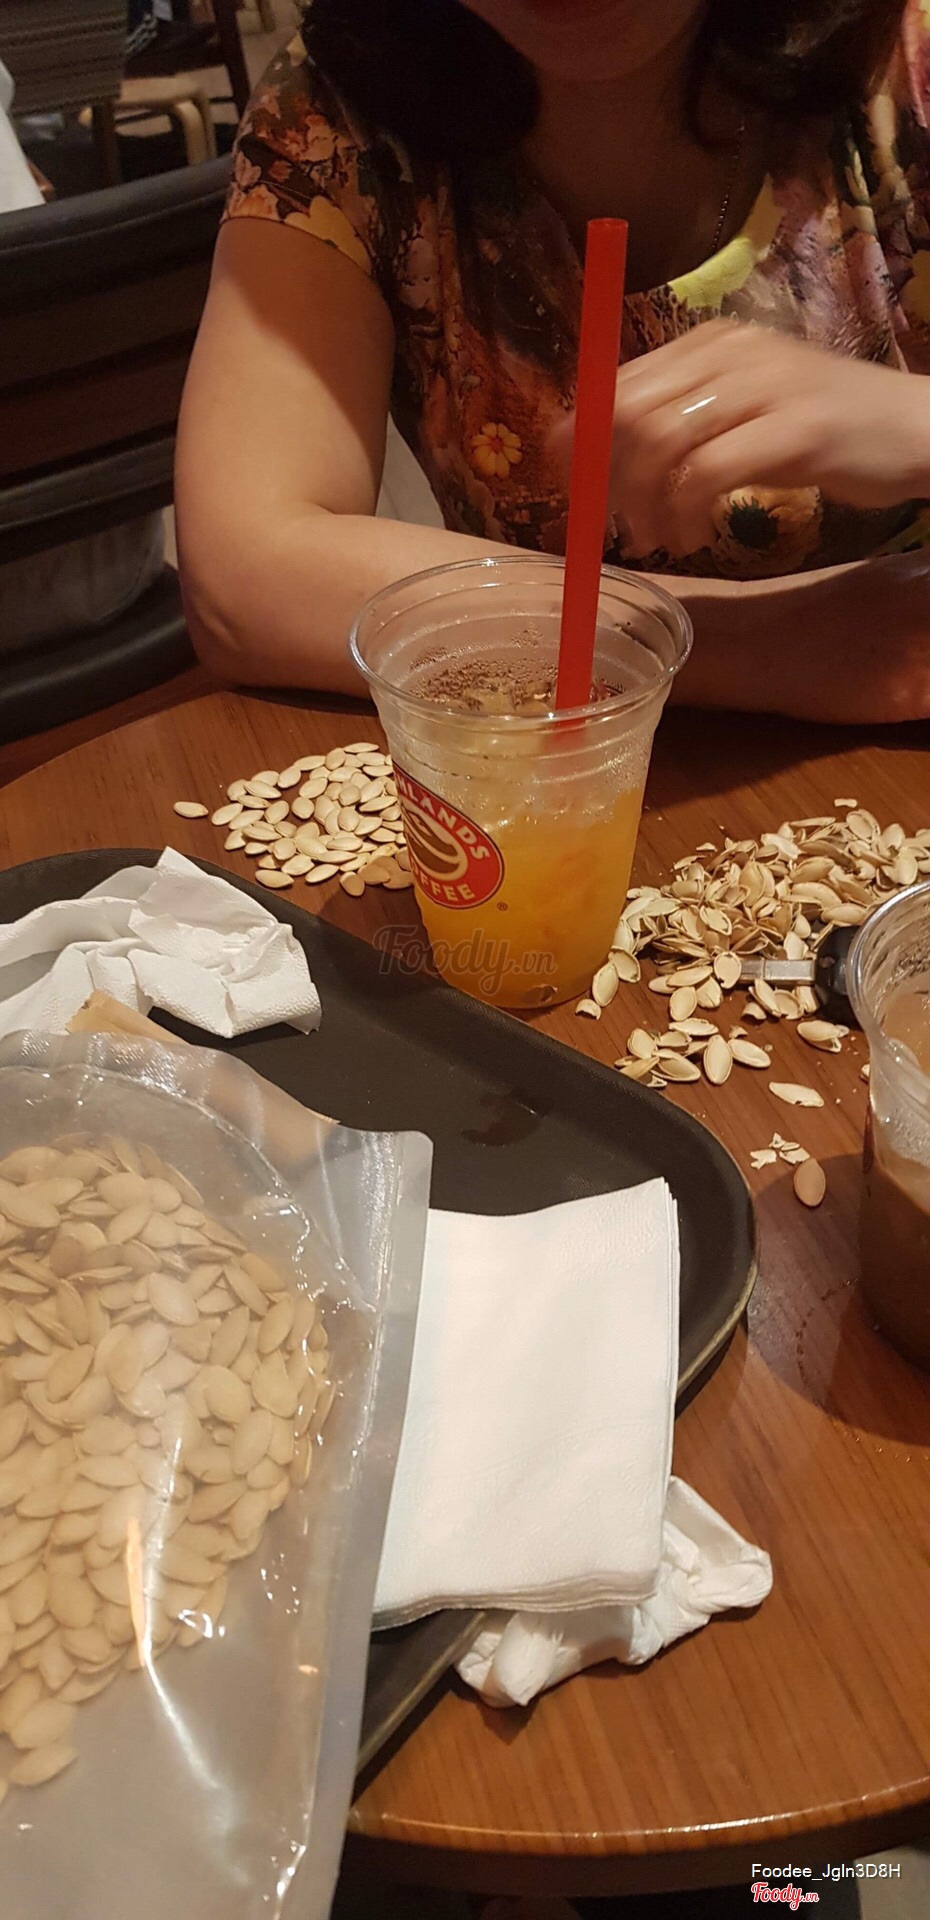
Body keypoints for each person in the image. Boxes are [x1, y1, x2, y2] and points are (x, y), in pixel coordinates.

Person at [176, 0, 930, 723]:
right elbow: (245, 579)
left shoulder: (908, 52)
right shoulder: (336, 108)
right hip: (559, 769)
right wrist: (767, 640)